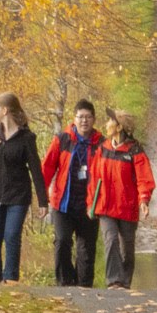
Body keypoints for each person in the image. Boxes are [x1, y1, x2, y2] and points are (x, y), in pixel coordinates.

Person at [0, 91, 48, 284]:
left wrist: (43, 201)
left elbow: (35, 170)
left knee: (11, 236)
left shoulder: (26, 138)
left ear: (5, 110)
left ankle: (11, 278)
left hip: (17, 196)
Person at [90, 109, 156, 289]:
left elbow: (144, 178)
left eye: (110, 121)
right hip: (106, 207)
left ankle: (125, 282)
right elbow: (93, 178)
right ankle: (114, 281)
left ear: (119, 127)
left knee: (127, 248)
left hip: (127, 208)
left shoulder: (135, 150)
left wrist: (144, 200)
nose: (106, 124)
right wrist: (91, 204)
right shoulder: (103, 148)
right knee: (110, 240)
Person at [41, 99, 102, 287]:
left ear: (94, 119)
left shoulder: (101, 143)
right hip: (63, 204)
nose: (84, 121)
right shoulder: (62, 140)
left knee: (86, 249)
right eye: (80, 117)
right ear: (74, 119)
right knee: (62, 242)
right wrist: (42, 199)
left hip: (89, 205)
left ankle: (84, 288)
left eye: (88, 117)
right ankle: (64, 284)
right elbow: (47, 168)